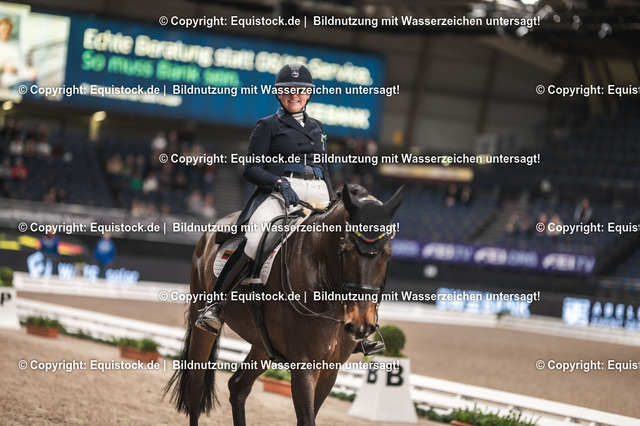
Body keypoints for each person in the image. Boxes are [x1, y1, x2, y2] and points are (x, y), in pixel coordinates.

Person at [195, 63, 384, 355]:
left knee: (351, 244)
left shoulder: (317, 127)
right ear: (279, 94)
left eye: (300, 91)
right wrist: (278, 183)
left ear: (308, 95)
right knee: (254, 239)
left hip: (317, 191)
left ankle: (362, 328)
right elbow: (251, 168)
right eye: (288, 90)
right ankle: (215, 305)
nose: (294, 95)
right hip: (280, 192)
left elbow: (323, 168)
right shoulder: (267, 125)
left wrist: (332, 198)